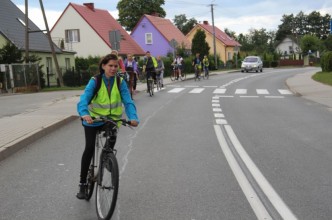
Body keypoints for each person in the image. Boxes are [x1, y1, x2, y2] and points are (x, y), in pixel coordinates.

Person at [76, 53, 139, 199]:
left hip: (110, 120)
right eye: (110, 66)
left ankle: (107, 157)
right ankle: (83, 183)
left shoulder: (120, 82)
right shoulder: (95, 81)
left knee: (111, 140)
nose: (113, 68)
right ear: (103, 66)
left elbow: (128, 101)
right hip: (93, 119)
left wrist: (133, 118)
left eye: (115, 66)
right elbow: (84, 99)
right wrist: (85, 113)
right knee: (90, 148)